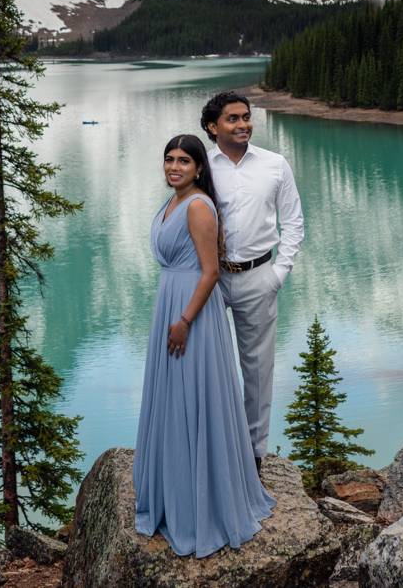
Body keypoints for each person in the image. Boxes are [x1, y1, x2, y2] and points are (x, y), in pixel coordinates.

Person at [134, 134, 275, 557]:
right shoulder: (172, 204)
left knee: (195, 399)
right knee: (174, 398)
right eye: (168, 160)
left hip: (191, 312)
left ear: (198, 168)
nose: (174, 167)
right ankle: (173, 495)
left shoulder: (197, 206)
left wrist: (184, 321)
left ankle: (202, 504)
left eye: (183, 161)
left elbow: (211, 272)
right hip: (171, 303)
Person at [201, 91, 305, 475]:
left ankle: (253, 454)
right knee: (206, 362)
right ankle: (211, 445)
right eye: (233, 118)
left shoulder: (275, 165)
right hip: (210, 279)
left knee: (258, 369)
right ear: (213, 127)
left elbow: (293, 222)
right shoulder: (202, 167)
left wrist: (279, 273)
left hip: (259, 275)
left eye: (246, 117)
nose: (243, 124)